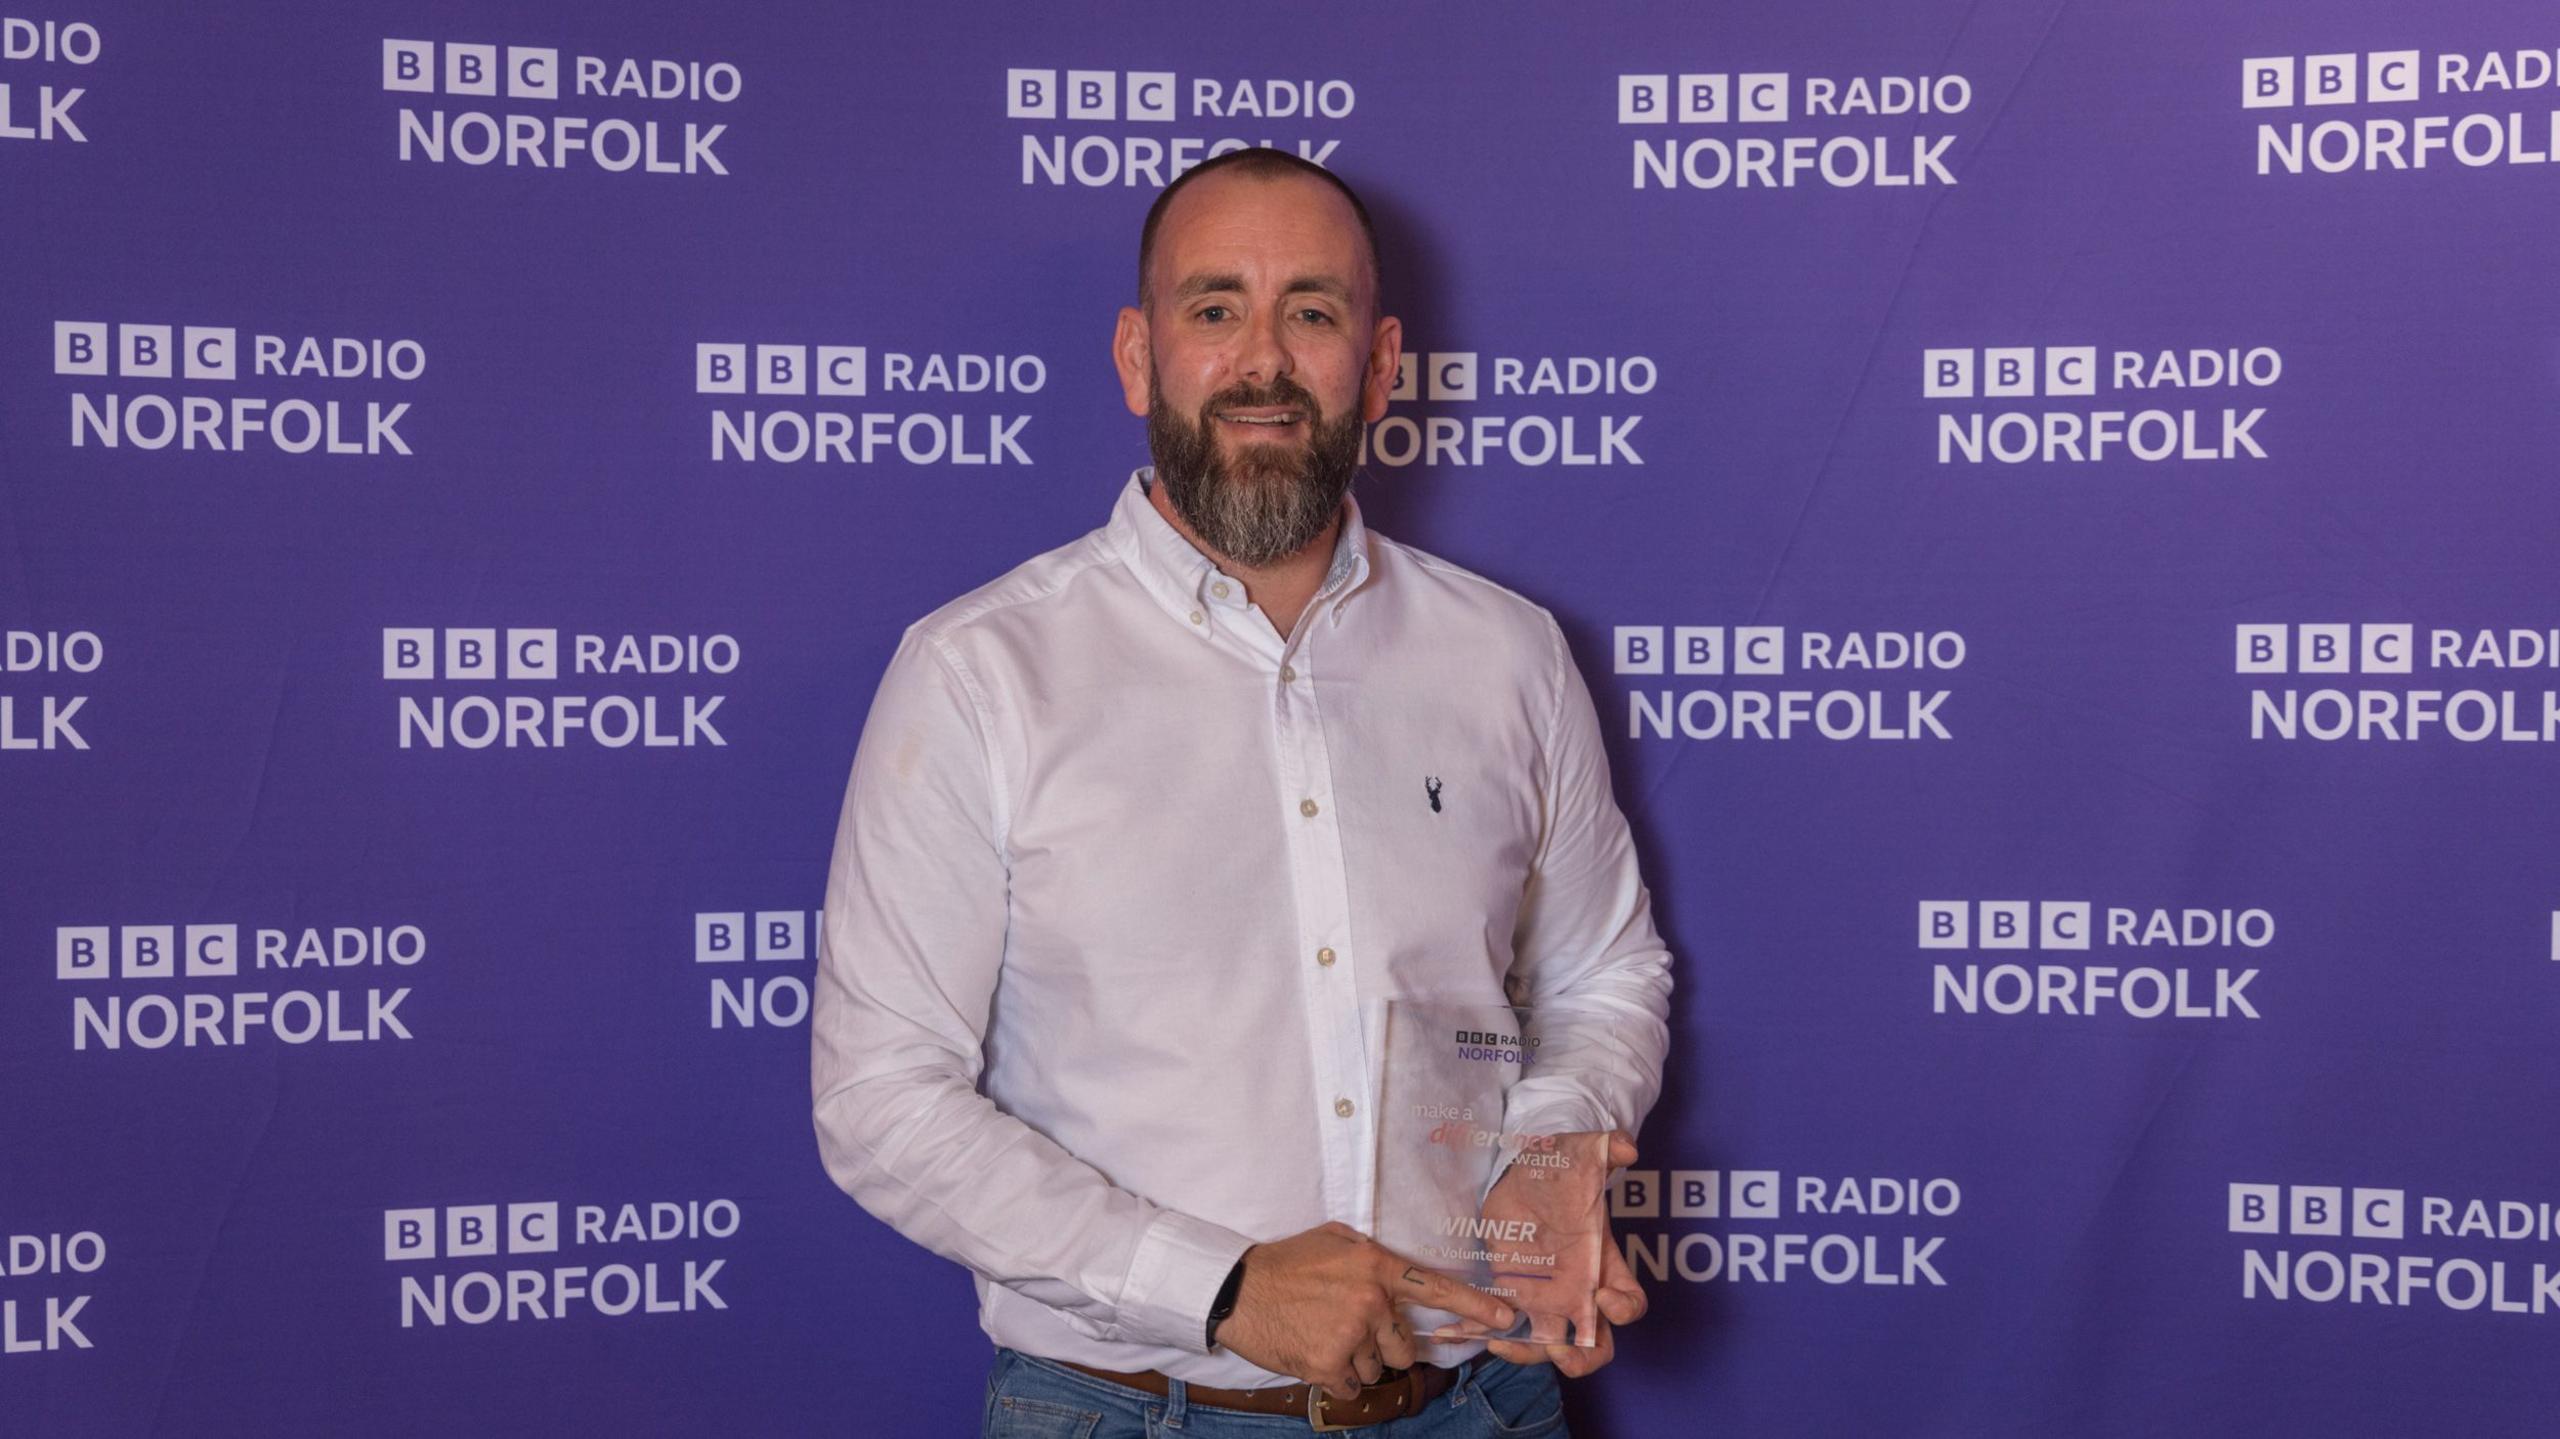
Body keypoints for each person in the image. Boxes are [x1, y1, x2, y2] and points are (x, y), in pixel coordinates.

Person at [812, 147, 1673, 1436]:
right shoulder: (982, 672)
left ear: (1379, 365)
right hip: (1131, 1410)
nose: (1263, 360)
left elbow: (1604, 977)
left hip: (1481, 1400)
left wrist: (1549, 1154)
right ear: (1136, 356)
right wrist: (1221, 1290)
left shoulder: (1507, 653)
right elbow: (879, 1098)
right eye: (1215, 309)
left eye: (1310, 312)